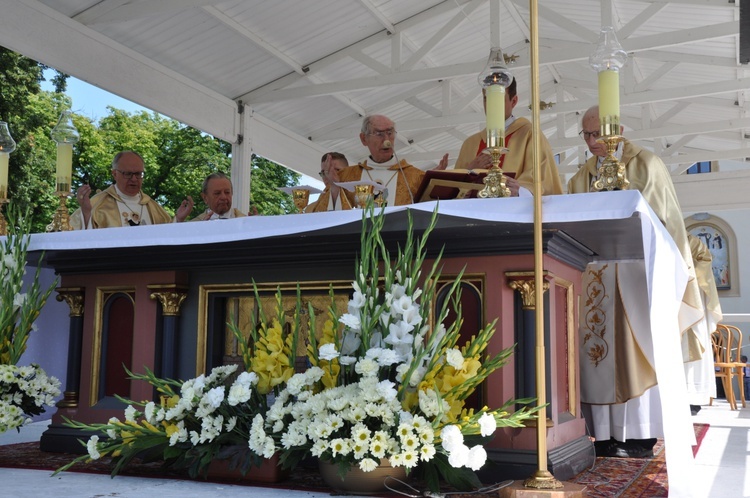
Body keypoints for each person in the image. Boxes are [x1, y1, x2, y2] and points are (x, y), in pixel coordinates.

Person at [569, 106, 704, 458]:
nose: (592, 142)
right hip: (594, 276)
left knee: (637, 356)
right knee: (596, 357)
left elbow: (667, 223)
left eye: (597, 133)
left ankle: (640, 434)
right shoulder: (581, 176)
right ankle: (602, 434)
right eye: (586, 135)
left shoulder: (647, 164)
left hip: (637, 277)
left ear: (619, 129)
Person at [452, 77, 563, 196]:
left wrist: (520, 191)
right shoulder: (470, 144)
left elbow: (544, 183)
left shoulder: (530, 134)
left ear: (514, 101)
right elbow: (453, 192)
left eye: (498, 99)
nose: (491, 105)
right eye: (486, 98)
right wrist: (469, 171)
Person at [337, 115, 448, 207]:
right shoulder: (347, 177)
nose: (387, 140)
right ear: (364, 139)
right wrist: (334, 188)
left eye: (390, 133)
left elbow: (429, 210)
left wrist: (432, 183)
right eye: (379, 134)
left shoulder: (415, 177)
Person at [71, 151, 193, 229]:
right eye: (128, 174)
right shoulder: (97, 204)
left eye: (138, 174)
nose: (134, 179)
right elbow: (76, 236)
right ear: (114, 174)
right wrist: (86, 213)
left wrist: (179, 219)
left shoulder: (152, 206)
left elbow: (166, 237)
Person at [685, 233, 723, 415]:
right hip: (671, 300)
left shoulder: (693, 242)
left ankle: (693, 398)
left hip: (694, 300)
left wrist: (686, 269)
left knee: (695, 349)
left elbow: (704, 263)